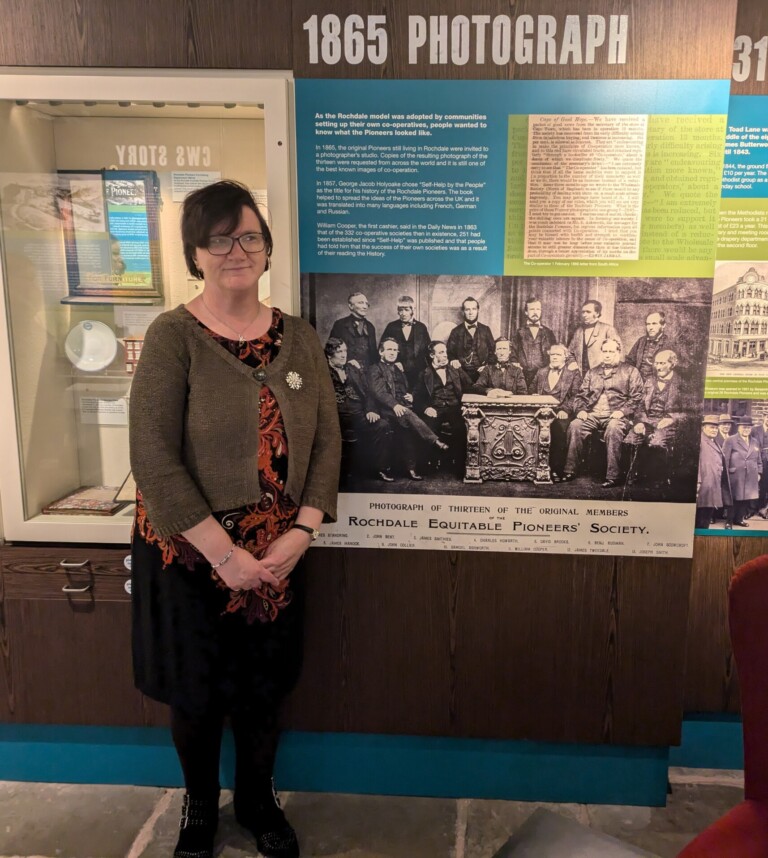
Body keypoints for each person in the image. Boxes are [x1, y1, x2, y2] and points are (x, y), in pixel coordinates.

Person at [129, 180, 341, 858]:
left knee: (263, 689)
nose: (235, 251)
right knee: (196, 695)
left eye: (249, 236)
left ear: (267, 247)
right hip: (193, 556)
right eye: (219, 239)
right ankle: (198, 809)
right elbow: (154, 458)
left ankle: (256, 800)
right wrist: (226, 557)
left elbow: (330, 442)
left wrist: (302, 532)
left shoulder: (299, 339)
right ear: (196, 252)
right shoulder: (172, 338)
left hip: (279, 555)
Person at [563, 338, 643, 488]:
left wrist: (622, 411)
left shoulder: (630, 371)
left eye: (611, 352)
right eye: (605, 351)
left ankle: (613, 476)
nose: (607, 355)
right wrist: (580, 410)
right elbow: (580, 396)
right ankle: (570, 470)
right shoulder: (593, 372)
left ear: (619, 353)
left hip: (616, 415)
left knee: (613, 429)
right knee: (575, 425)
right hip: (592, 414)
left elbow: (637, 397)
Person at [367, 337, 448, 480]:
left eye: (395, 350)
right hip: (385, 409)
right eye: (389, 350)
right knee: (408, 417)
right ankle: (435, 441)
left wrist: (409, 396)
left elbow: (404, 388)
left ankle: (411, 469)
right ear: (381, 352)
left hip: (401, 407)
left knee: (408, 427)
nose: (393, 353)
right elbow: (379, 392)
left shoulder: (398, 369)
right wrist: (395, 405)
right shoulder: (375, 369)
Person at [325, 337, 390, 484]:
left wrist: (370, 410)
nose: (343, 355)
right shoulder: (322, 371)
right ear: (329, 355)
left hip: (358, 414)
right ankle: (339, 473)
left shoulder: (352, 369)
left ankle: (379, 469)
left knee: (383, 425)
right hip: (335, 417)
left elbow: (368, 392)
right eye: (339, 351)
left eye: (345, 351)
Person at [622, 350, 687, 483]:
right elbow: (639, 405)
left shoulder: (682, 384)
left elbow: (690, 412)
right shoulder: (649, 381)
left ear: (672, 364)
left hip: (667, 423)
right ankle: (633, 475)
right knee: (630, 440)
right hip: (646, 420)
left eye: (662, 363)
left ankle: (657, 479)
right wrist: (639, 422)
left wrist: (672, 418)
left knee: (656, 443)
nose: (658, 367)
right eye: (656, 363)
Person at [413, 340, 472, 472]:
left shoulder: (455, 369)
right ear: (432, 355)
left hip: (455, 407)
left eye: (445, 352)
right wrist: (426, 408)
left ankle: (459, 465)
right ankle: (428, 464)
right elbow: (416, 398)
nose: (445, 355)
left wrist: (466, 405)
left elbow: (471, 386)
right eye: (441, 352)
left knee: (461, 427)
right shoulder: (424, 373)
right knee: (427, 426)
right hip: (435, 408)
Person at [533, 343, 582, 481]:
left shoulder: (573, 374)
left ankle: (555, 469)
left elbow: (576, 395)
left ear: (565, 357)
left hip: (562, 411)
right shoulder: (541, 372)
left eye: (558, 355)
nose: (554, 357)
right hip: (541, 411)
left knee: (558, 429)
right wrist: (534, 397)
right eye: (552, 354)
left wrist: (565, 410)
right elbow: (531, 390)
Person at [379, 295, 431, 389]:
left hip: (418, 373)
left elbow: (429, 351)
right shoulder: (391, 327)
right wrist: (395, 361)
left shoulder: (421, 327)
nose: (403, 313)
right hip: (396, 371)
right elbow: (381, 349)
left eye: (406, 310)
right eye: (400, 310)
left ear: (412, 310)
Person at [510, 296, 558, 390]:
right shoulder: (519, 332)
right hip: (522, 375)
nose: (535, 312)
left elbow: (555, 351)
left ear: (541, 311)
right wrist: (515, 364)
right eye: (532, 309)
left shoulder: (548, 332)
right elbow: (513, 352)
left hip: (543, 376)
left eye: (538, 309)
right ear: (526, 312)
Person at [723, 416, 763, 527]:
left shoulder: (755, 442)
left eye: (748, 428)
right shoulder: (730, 440)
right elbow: (725, 459)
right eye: (744, 427)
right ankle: (729, 521)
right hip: (735, 475)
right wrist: (725, 475)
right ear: (739, 428)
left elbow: (759, 460)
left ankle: (739, 519)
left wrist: (759, 473)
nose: (746, 430)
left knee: (746, 499)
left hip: (751, 476)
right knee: (734, 499)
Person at [446, 296, 496, 381]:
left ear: (478, 311)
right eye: (467, 309)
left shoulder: (486, 330)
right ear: (463, 312)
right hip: (462, 374)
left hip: (482, 373)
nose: (471, 312)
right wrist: (453, 360)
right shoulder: (455, 331)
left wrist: (487, 365)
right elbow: (449, 352)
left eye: (474, 309)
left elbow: (493, 352)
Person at [567, 299, 620, 374]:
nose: (584, 315)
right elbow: (569, 353)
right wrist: (573, 364)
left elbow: (617, 353)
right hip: (581, 375)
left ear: (597, 313)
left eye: (588, 312)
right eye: (583, 312)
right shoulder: (578, 331)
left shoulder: (608, 329)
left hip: (601, 374)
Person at [329, 291, 378, 368]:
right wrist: (347, 361)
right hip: (346, 369)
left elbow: (374, 355)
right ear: (351, 306)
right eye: (361, 303)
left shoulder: (370, 327)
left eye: (366, 304)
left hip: (368, 371)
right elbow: (331, 350)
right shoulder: (340, 325)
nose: (365, 307)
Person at [696, 414, 728, 529]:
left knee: (706, 518)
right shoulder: (700, 441)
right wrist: (698, 482)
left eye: (716, 427)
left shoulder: (714, 441)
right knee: (701, 519)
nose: (714, 430)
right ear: (703, 428)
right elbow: (695, 463)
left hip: (712, 485)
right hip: (704, 485)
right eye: (711, 427)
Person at [626, 311, 670, 380]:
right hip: (638, 382)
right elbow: (629, 362)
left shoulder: (669, 343)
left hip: (657, 383)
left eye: (654, 324)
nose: (650, 327)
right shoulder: (641, 341)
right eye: (648, 324)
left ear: (663, 325)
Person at [750, 413, 768, 517]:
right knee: (755, 484)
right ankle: (751, 509)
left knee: (765, 486)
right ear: (764, 417)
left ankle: (763, 509)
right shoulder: (755, 430)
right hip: (758, 460)